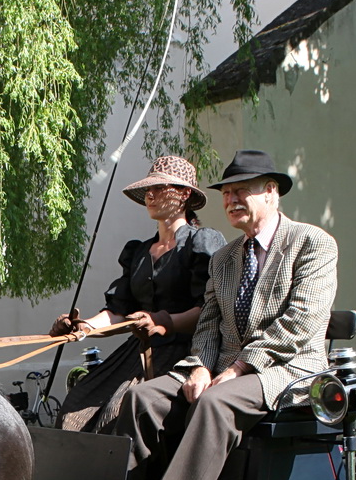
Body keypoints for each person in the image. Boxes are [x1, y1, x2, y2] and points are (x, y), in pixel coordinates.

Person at [113, 149, 338, 480]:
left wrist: (234, 370)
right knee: (142, 397)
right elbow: (209, 326)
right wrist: (198, 366)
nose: (231, 199)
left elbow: (300, 324)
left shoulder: (313, 244)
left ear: (271, 193)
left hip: (290, 370)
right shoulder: (226, 257)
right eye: (227, 193)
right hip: (221, 369)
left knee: (215, 403)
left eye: (242, 191)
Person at [52, 156, 226, 432]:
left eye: (160, 188)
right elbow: (118, 312)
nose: (151, 195)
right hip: (137, 351)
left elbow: (210, 309)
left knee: (116, 413)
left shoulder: (202, 242)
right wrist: (81, 328)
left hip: (186, 351)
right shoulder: (139, 251)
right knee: (76, 405)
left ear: (185, 194)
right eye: (148, 189)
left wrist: (162, 322)